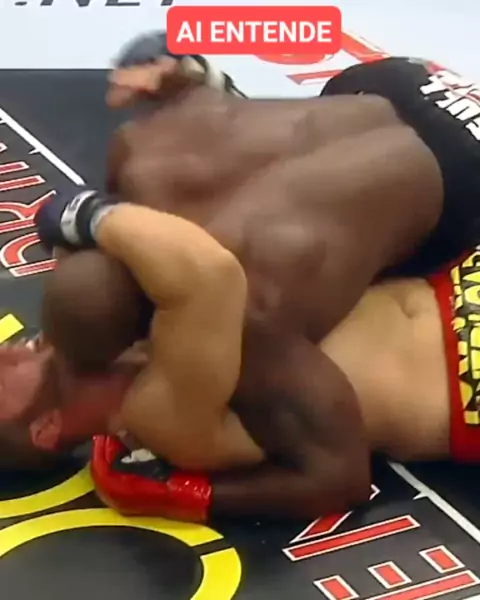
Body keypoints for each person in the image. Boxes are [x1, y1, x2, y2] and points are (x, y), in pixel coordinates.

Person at [8, 192, 480, 524]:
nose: (4, 352)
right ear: (45, 429)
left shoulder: (117, 339)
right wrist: (85, 214)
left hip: (455, 281)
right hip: (462, 378)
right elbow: (207, 274)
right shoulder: (157, 416)